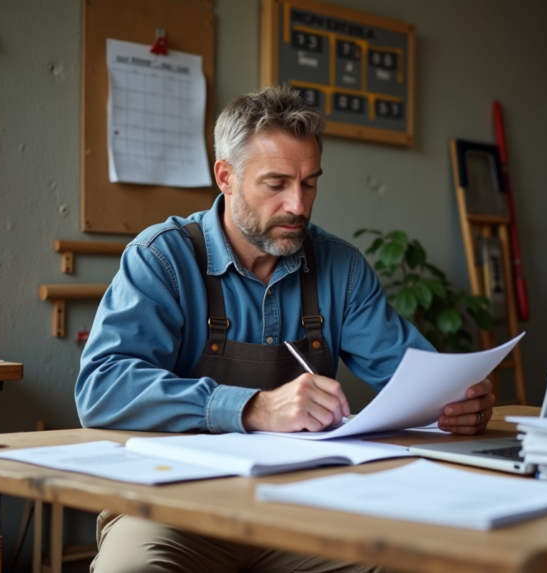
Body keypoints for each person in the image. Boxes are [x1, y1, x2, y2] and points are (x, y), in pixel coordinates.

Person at [75, 85, 495, 573]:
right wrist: (252, 407)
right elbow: (100, 388)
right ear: (226, 177)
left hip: (307, 502)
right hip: (171, 505)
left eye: (310, 183)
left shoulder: (341, 267)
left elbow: (413, 376)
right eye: (276, 184)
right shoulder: (162, 258)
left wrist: (456, 400)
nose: (298, 204)